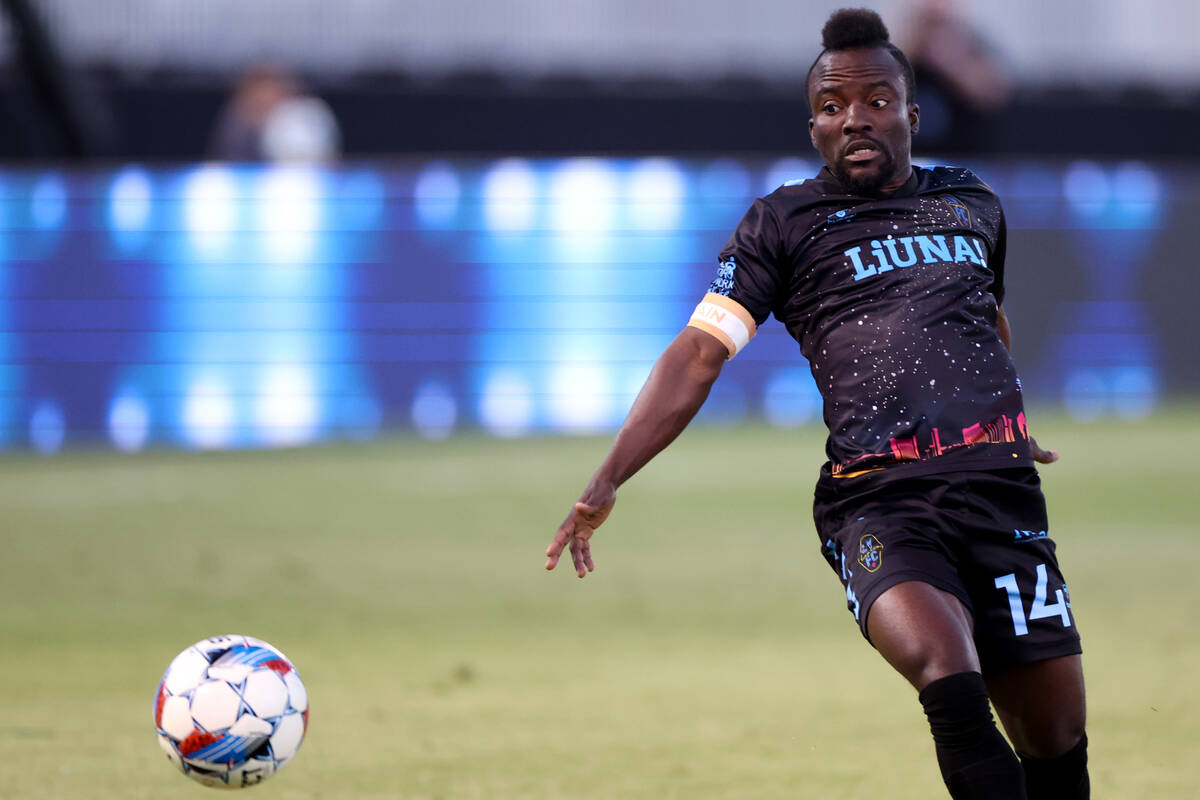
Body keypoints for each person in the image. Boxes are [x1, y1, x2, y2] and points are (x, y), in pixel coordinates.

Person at [544, 8, 1088, 800]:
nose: (854, 119)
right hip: (880, 500)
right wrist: (608, 476)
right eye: (833, 107)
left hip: (1001, 495)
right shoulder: (784, 223)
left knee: (1056, 742)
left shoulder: (972, 202)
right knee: (949, 675)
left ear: (911, 112)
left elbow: (981, 315)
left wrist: (1006, 417)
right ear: (813, 126)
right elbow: (698, 353)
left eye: (874, 100)